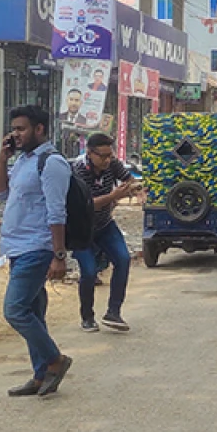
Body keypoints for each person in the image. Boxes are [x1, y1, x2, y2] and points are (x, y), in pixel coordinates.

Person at [0, 105, 73, 397]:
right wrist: (3, 157)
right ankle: (40, 375)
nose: (16, 134)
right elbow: (2, 193)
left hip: (37, 248)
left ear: (39, 129)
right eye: (13, 129)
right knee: (33, 312)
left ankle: (55, 360)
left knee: (15, 310)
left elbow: (57, 212)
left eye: (21, 129)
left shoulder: (51, 163)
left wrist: (59, 255)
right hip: (17, 248)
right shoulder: (25, 161)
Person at [71, 133, 137, 333]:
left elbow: (129, 179)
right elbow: (87, 205)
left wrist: (132, 188)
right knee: (89, 272)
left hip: (105, 224)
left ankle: (113, 311)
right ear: (89, 153)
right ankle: (87, 316)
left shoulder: (112, 164)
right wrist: (113, 196)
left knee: (123, 259)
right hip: (81, 229)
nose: (107, 160)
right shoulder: (77, 172)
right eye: (102, 156)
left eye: (110, 155)